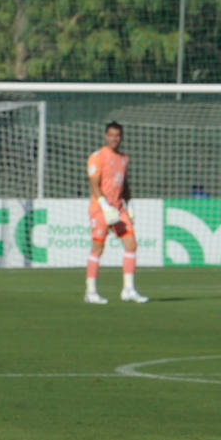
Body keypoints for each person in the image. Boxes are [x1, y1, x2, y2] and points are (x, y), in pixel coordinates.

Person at [85, 121, 148, 304]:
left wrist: (129, 204)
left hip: (119, 209)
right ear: (106, 136)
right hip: (101, 209)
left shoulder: (124, 159)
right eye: (111, 135)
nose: (115, 138)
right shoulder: (97, 157)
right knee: (98, 248)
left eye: (118, 135)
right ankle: (90, 292)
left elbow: (124, 184)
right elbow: (94, 184)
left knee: (131, 244)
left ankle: (128, 289)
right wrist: (104, 206)